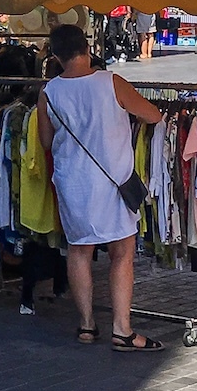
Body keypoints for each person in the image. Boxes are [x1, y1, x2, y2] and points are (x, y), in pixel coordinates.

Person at [36, 24, 165, 352]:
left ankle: (86, 325)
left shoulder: (48, 92)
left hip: (73, 182)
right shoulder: (111, 82)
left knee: (79, 251)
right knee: (122, 253)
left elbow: (46, 142)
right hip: (113, 183)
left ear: (55, 56)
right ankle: (122, 329)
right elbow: (153, 115)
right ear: (87, 48)